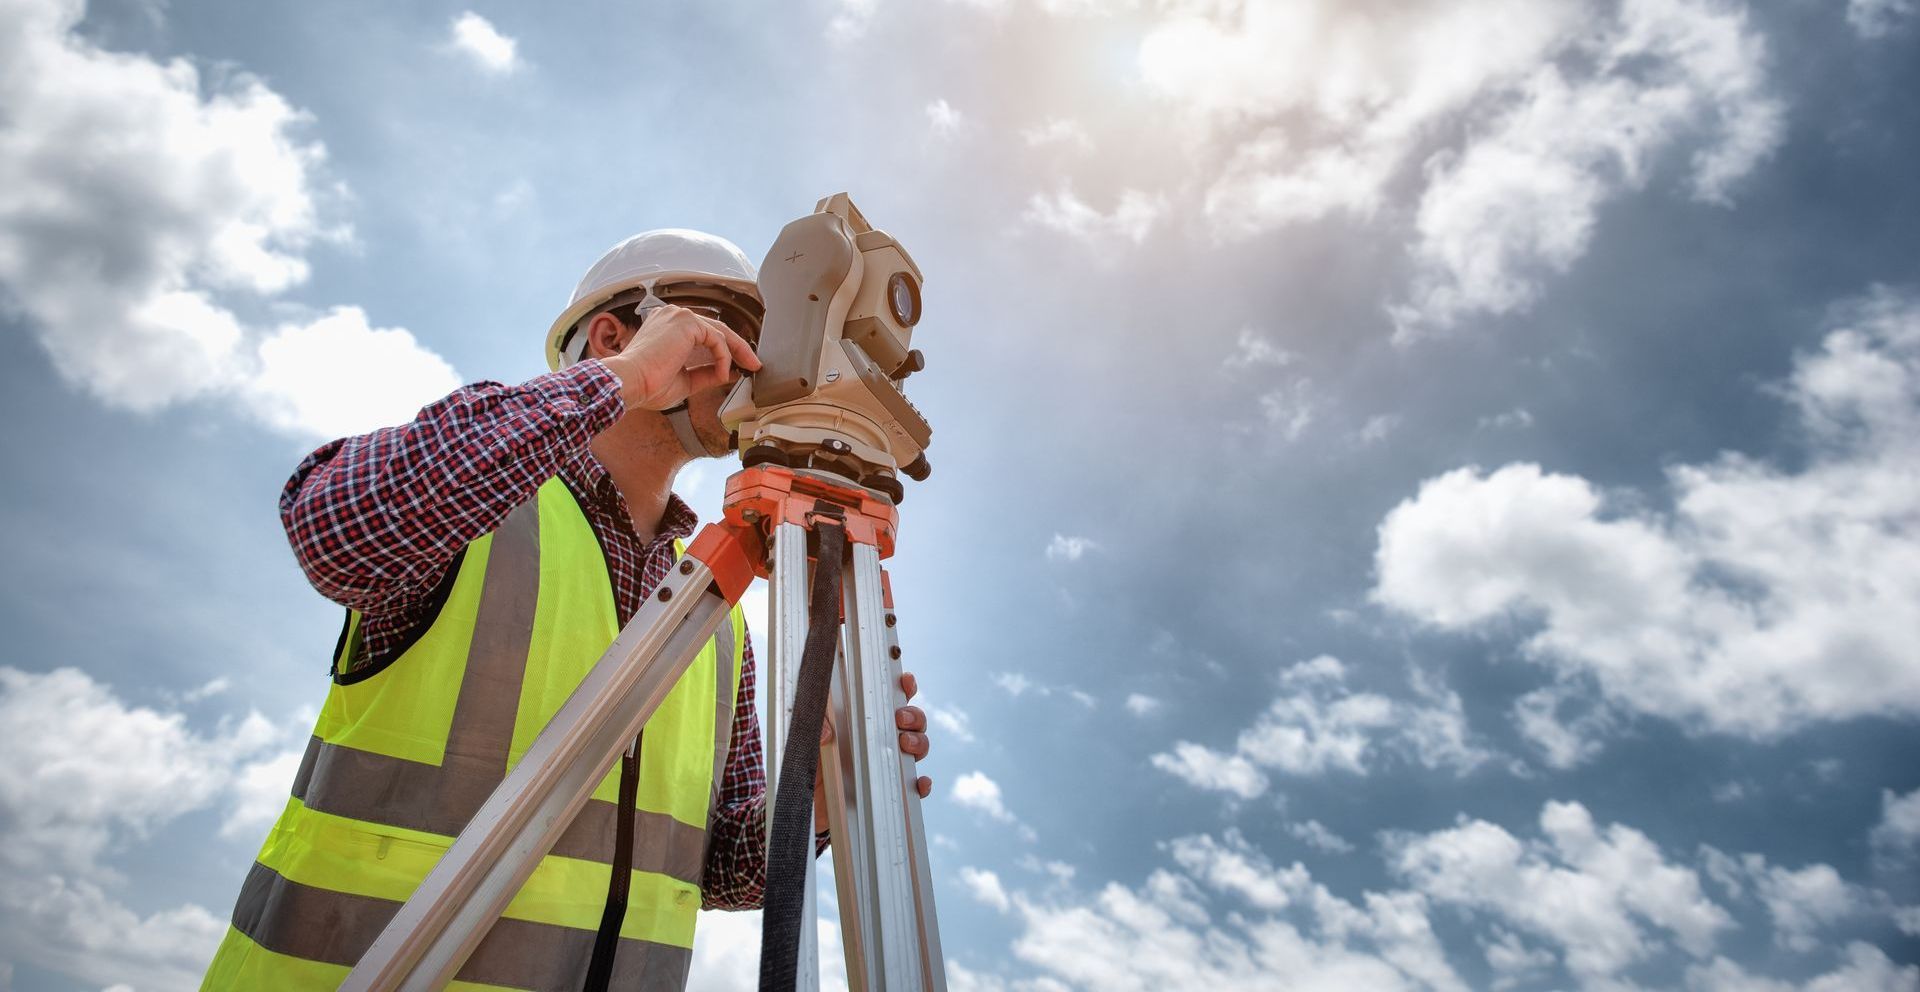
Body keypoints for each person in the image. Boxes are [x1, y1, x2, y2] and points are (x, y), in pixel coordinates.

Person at [200, 229, 934, 991]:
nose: (758, 360)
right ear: (615, 334)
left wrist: (822, 789)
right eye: (728, 331)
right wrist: (622, 380)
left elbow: (723, 871)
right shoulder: (484, 506)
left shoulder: (715, 612)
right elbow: (338, 530)